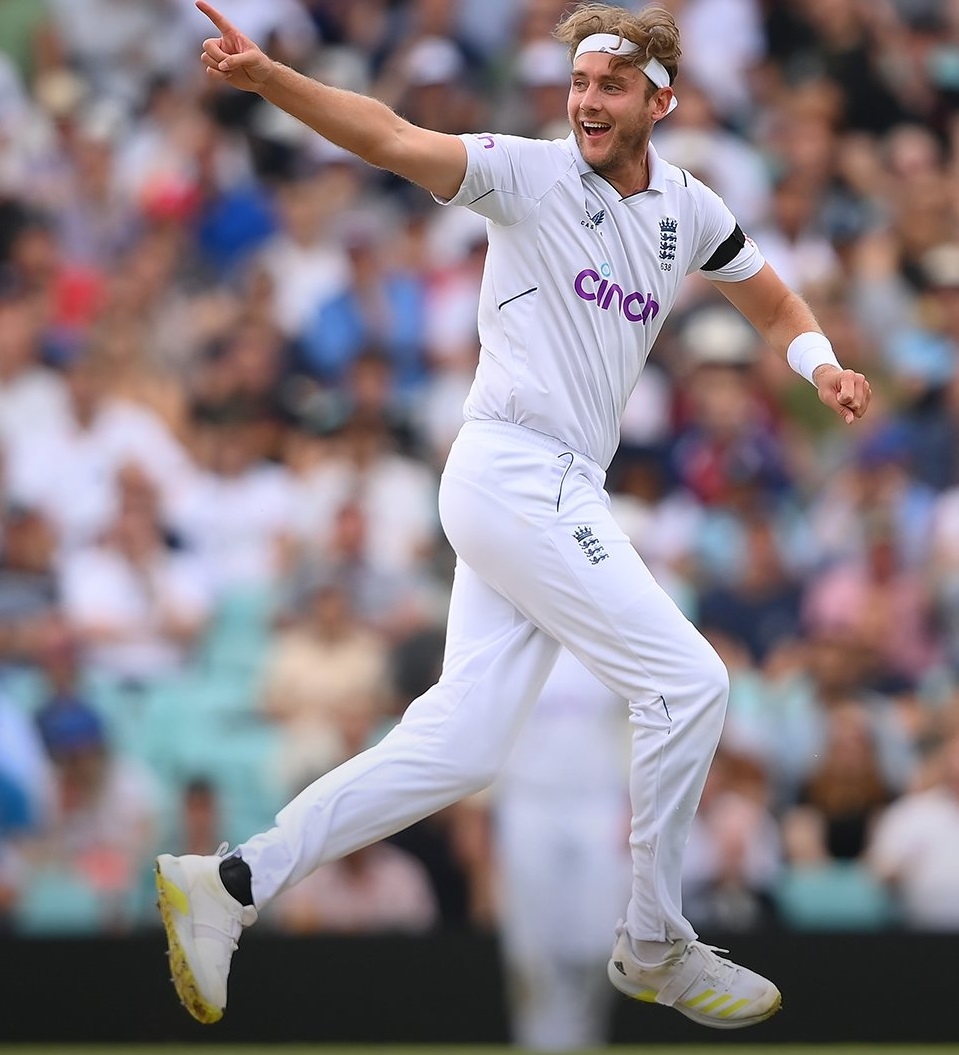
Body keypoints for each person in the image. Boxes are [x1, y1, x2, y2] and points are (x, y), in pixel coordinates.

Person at [156, 0, 872, 1031]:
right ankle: (654, 940)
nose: (586, 101)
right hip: (513, 469)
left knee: (461, 746)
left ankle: (229, 881)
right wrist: (269, 79)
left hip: (547, 486)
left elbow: (771, 302)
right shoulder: (527, 173)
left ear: (660, 101)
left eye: (609, 85)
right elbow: (389, 135)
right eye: (578, 83)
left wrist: (821, 366)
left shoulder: (689, 207)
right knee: (689, 682)